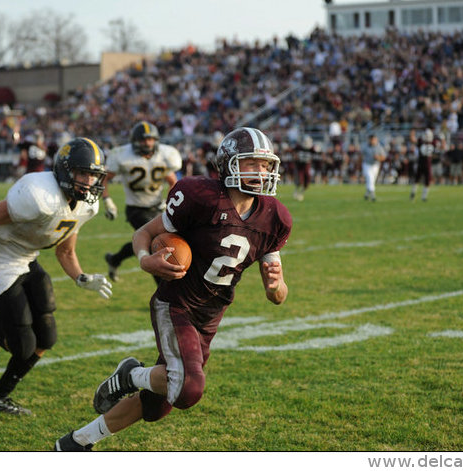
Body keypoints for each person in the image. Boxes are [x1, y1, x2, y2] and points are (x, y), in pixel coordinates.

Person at [54, 127, 291, 451]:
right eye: (252, 163)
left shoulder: (275, 217)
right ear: (229, 164)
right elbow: (143, 233)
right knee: (188, 388)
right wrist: (144, 260)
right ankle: (131, 375)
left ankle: (75, 443)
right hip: (176, 305)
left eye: (265, 165)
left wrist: (276, 287)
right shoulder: (200, 196)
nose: (261, 172)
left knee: (158, 404)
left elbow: (279, 295)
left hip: (210, 316)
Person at [0, 137, 113, 415]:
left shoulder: (88, 206)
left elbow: (65, 251)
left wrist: (81, 277)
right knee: (23, 346)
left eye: (93, 175)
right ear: (65, 170)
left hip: (28, 257)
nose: (89, 181)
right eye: (83, 173)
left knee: (47, 338)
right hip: (0, 258)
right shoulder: (39, 195)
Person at [101, 121, 182, 283]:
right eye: (144, 140)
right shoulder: (123, 156)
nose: (148, 143)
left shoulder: (163, 156)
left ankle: (115, 259)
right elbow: (104, 179)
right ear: (135, 141)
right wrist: (108, 200)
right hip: (136, 209)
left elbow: (173, 181)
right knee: (155, 244)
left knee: (144, 242)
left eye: (151, 139)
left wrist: (168, 200)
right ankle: (163, 291)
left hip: (157, 207)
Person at [410, 129, 436, 202]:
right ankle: (419, 195)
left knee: (421, 180)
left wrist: (412, 133)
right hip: (425, 164)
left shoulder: (422, 142)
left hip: (422, 164)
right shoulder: (431, 142)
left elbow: (413, 140)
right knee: (419, 179)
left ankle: (419, 195)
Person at [361, 134, 386, 201]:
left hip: (375, 165)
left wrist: (378, 158)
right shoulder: (365, 146)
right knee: (370, 177)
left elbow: (383, 157)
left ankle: (367, 193)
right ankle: (372, 195)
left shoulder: (379, 147)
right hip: (367, 164)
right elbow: (361, 155)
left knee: (372, 180)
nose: (373, 141)